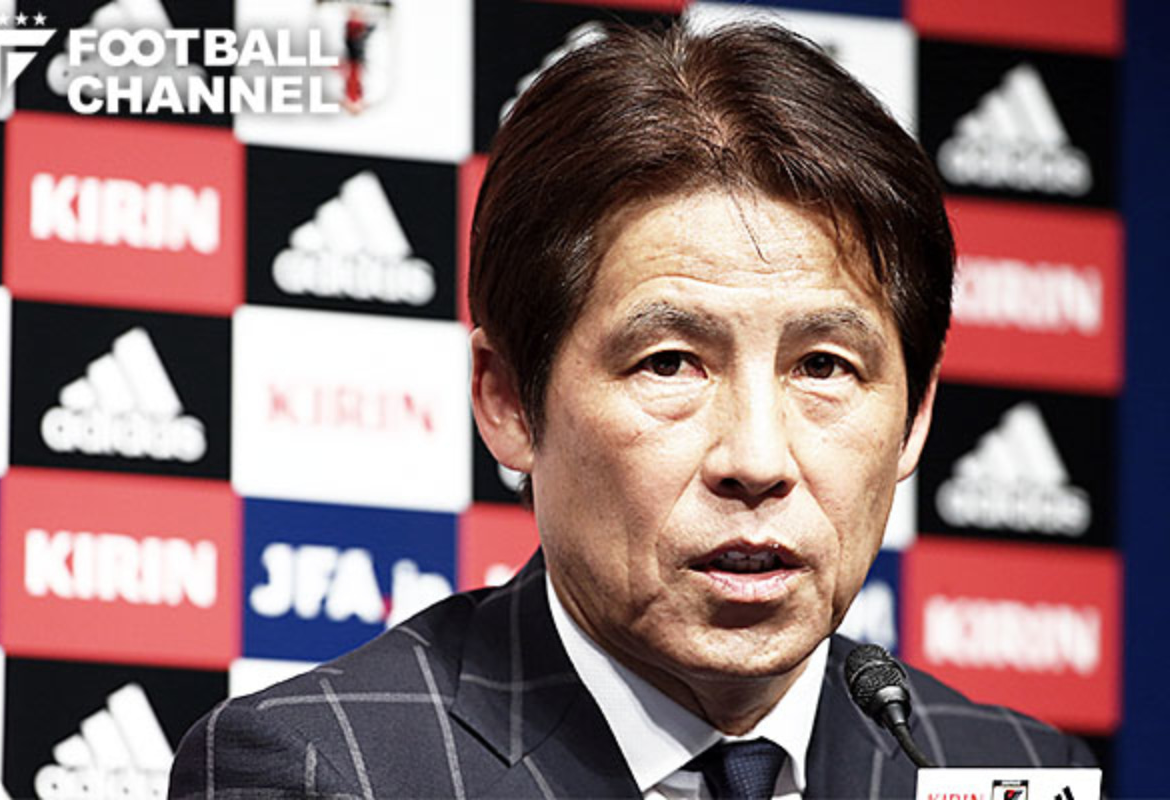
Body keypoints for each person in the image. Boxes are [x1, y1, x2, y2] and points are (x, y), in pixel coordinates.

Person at [169, 21, 1094, 799]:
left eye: (823, 366)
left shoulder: (1009, 770)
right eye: (670, 363)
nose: (758, 460)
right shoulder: (326, 770)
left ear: (916, 416)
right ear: (507, 400)